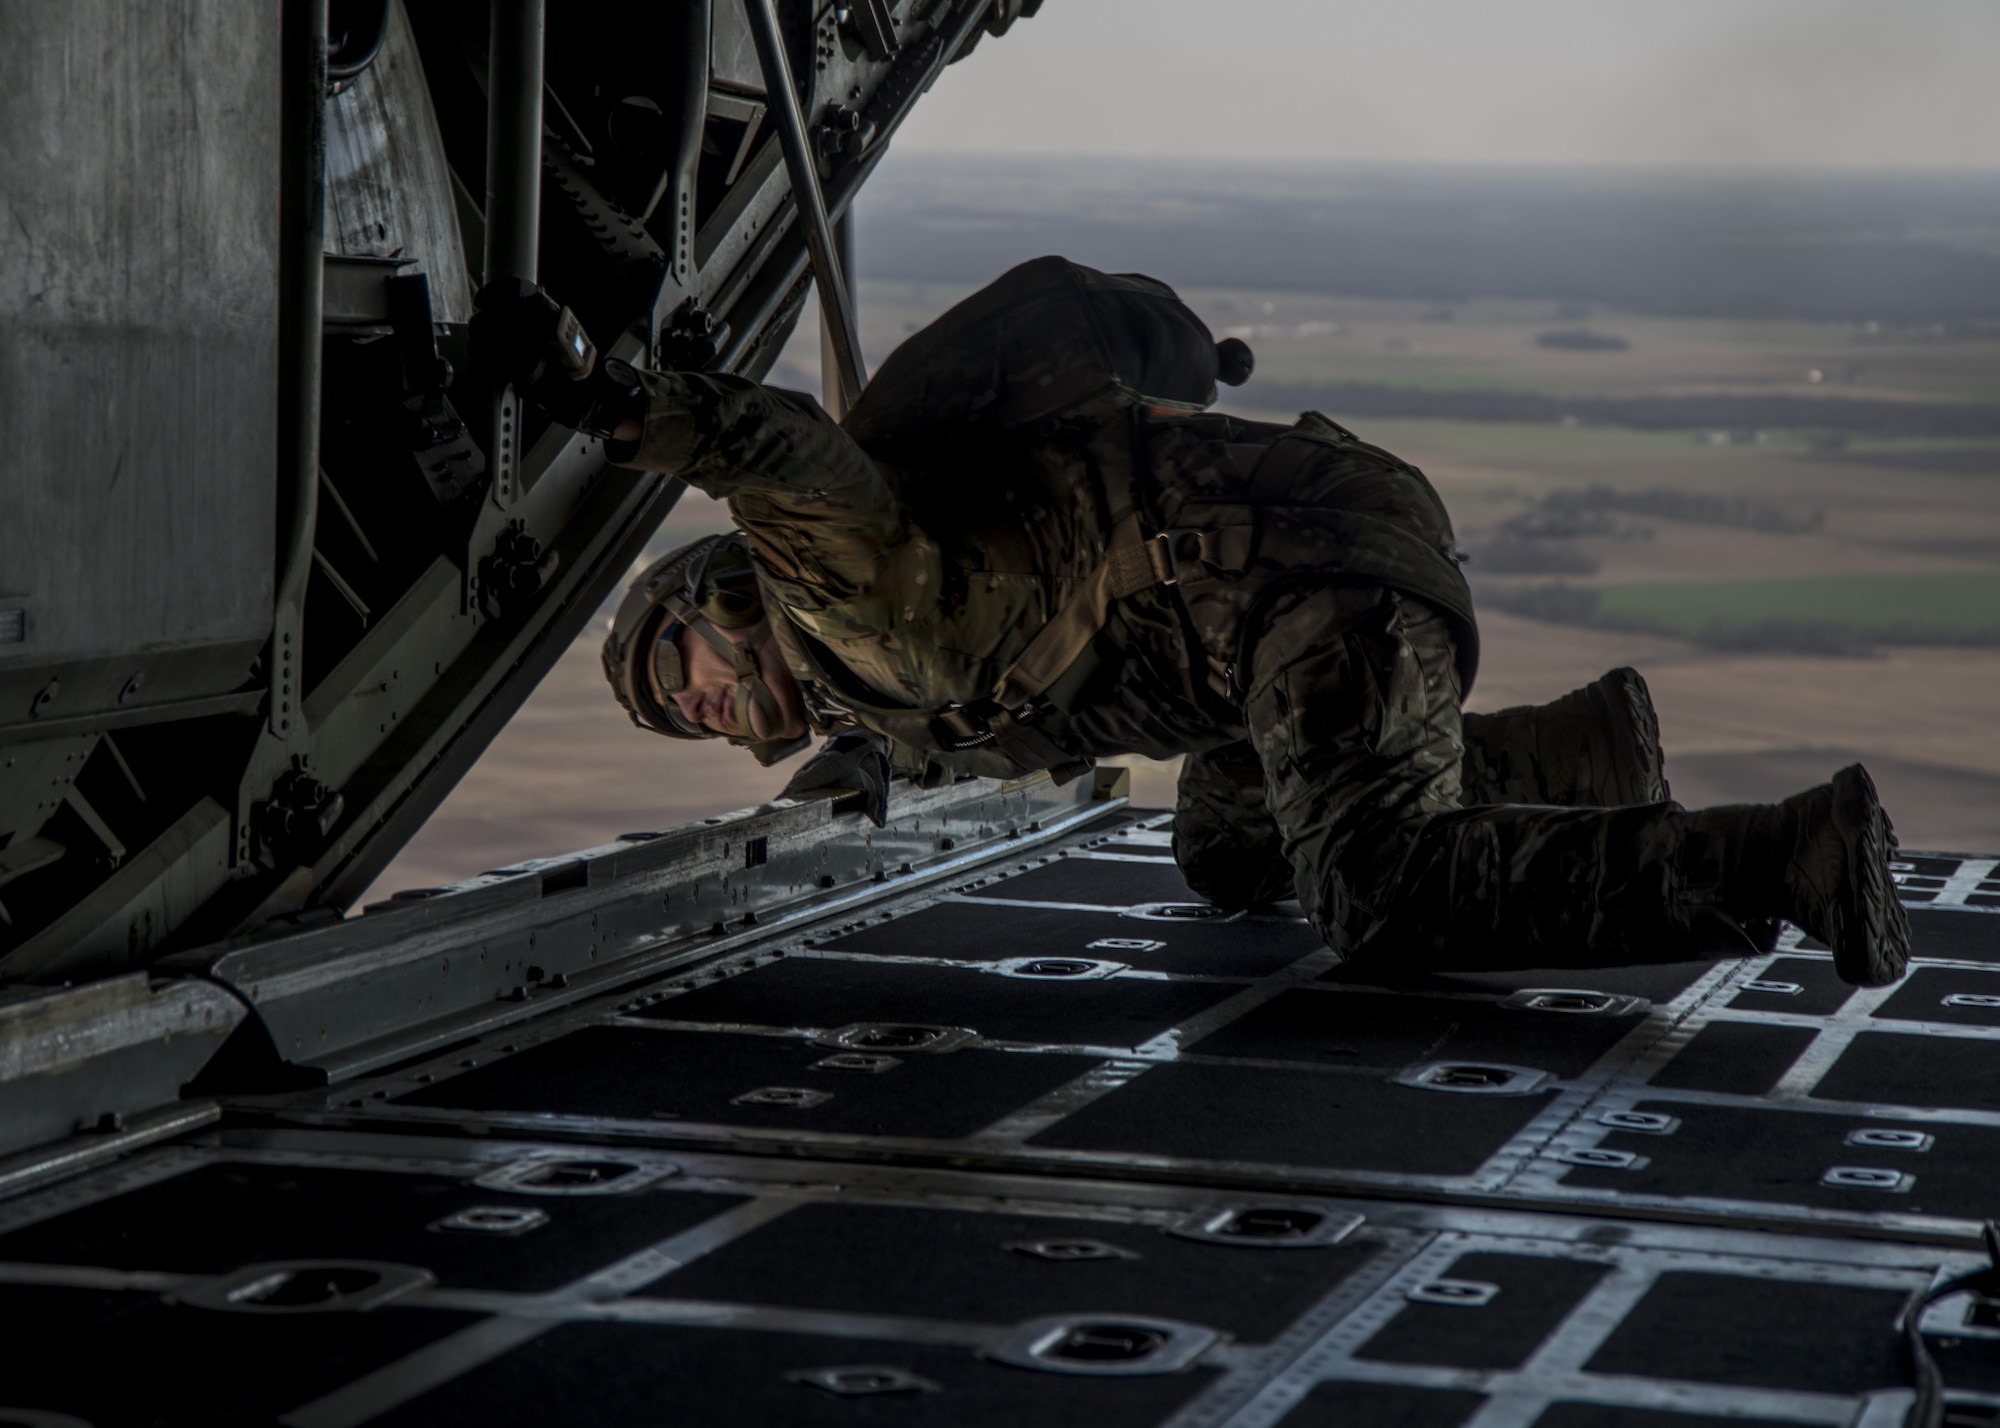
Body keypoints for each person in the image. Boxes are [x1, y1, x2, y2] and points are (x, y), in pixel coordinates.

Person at [472, 260, 1910, 987]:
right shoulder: (876, 680)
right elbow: (923, 730)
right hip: (1300, 590)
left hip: (1310, 592)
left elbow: (771, 450)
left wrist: (606, 398)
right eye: (674, 718)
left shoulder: (833, 576)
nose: (698, 704)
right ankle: (1577, 755)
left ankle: (1789, 853)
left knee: (1375, 890)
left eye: (679, 664)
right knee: (1229, 844)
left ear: (722, 595)